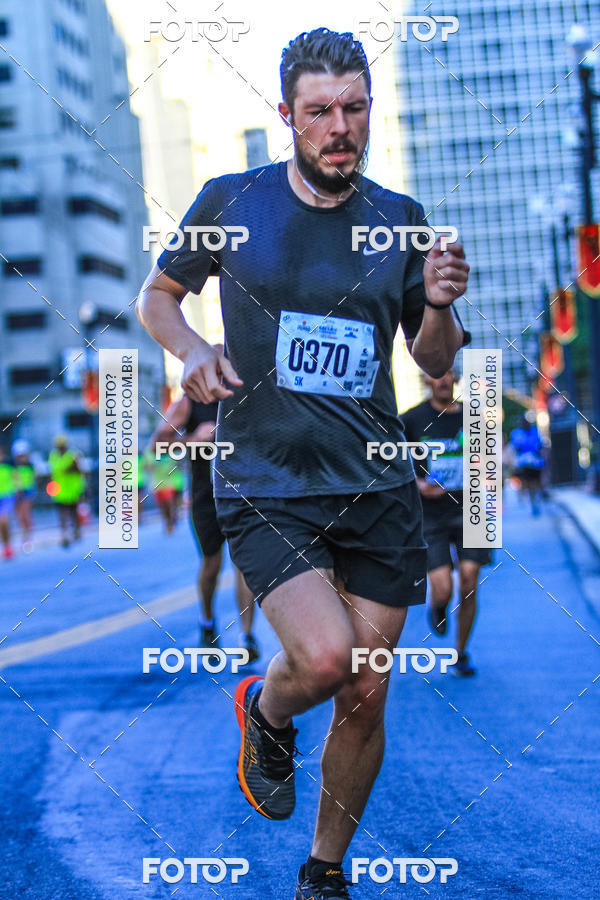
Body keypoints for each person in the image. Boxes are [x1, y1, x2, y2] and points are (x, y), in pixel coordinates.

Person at [137, 28, 470, 899]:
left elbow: (435, 363)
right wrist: (191, 348)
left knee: (366, 688)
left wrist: (435, 304)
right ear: (288, 114)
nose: (339, 127)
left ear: (370, 111)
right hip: (268, 480)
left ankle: (325, 871)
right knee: (325, 661)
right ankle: (266, 708)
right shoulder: (232, 200)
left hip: (376, 488)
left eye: (354, 108)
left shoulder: (399, 220)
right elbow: (157, 295)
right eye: (319, 111)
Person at [150, 391, 260, 660]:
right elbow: (157, 446)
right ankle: (208, 625)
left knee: (243, 565)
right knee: (211, 565)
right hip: (205, 497)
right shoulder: (190, 401)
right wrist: (193, 440)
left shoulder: (247, 396)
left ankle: (246, 637)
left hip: (241, 495)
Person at [402, 369, 491, 677]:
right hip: (431, 514)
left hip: (472, 508)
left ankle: (461, 653)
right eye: (435, 375)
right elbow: (395, 464)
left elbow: (490, 462)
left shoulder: (474, 416)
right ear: (425, 380)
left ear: (456, 377)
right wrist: (418, 484)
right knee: (442, 588)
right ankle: (438, 606)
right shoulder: (411, 420)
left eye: (448, 373)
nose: (443, 380)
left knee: (469, 581)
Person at [48, 435, 85, 548]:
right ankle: (64, 534)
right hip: (60, 488)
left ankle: (77, 531)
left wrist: (71, 468)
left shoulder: (73, 454)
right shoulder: (53, 455)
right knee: (62, 512)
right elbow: (53, 471)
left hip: (73, 488)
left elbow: (78, 469)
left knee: (74, 511)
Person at [509, 412, 545, 515]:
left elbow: (540, 445)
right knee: (527, 482)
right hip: (524, 462)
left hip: (535, 461)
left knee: (537, 482)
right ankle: (531, 500)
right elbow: (515, 448)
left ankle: (538, 497)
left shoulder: (535, 431)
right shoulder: (516, 433)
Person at [143, 445, 181, 534]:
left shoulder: (169, 452)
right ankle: (167, 521)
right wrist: (152, 466)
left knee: (170, 503)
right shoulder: (150, 453)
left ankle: (172, 521)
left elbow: (176, 464)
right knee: (163, 506)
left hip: (169, 483)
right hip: (157, 484)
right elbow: (146, 468)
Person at [12, 439, 36, 552]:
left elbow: (32, 480)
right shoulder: (13, 466)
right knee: (20, 516)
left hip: (27, 492)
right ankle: (25, 534)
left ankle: (27, 538)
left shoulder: (30, 466)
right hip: (17, 492)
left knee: (25, 515)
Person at [0, 445, 17, 559]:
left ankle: (8, 545)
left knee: (3, 520)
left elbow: (15, 478)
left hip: (7, 496)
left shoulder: (8, 464)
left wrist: (17, 490)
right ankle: (6, 546)